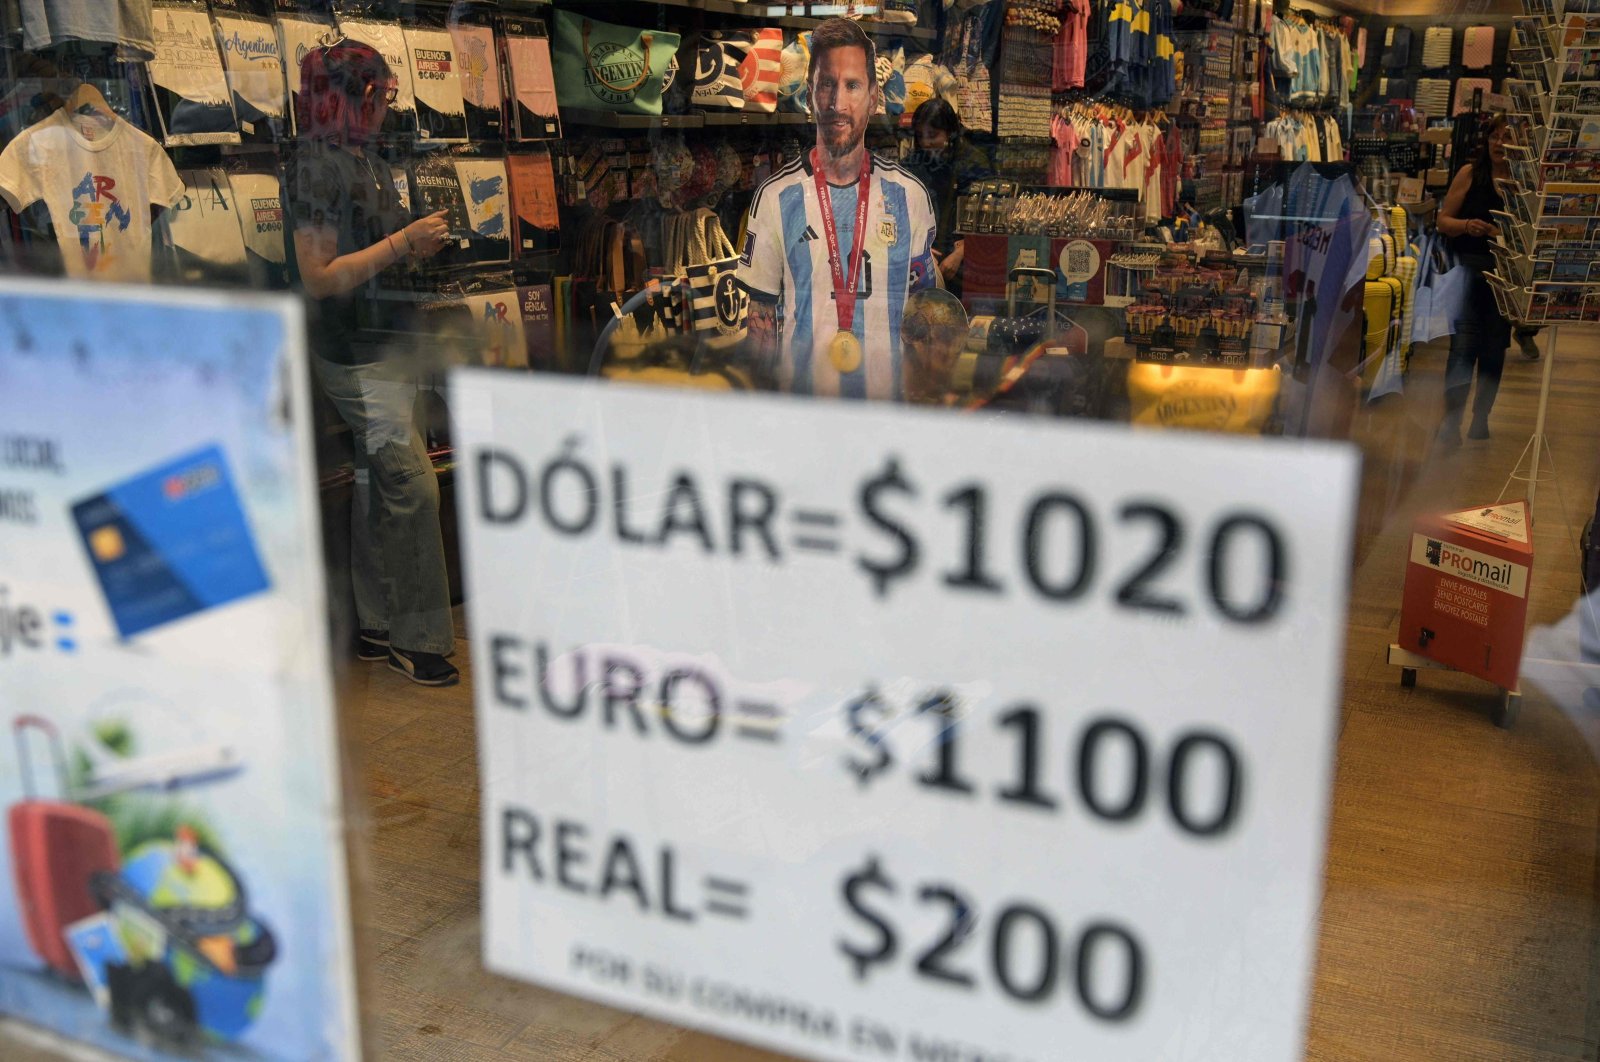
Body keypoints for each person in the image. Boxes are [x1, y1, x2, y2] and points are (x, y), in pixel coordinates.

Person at [284, 40, 461, 687]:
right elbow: (320, 277)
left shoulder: (359, 158)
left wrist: (414, 248)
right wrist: (401, 243)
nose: (388, 107)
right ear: (356, 98)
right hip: (356, 358)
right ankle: (418, 641)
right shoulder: (317, 166)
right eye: (381, 95)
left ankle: (377, 623)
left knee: (376, 482)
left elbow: (362, 261)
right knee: (411, 484)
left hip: (381, 350)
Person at [737, 18, 939, 400]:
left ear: (874, 96)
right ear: (810, 92)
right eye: (826, 84)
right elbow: (760, 324)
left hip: (886, 423)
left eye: (852, 85)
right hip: (804, 423)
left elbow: (924, 321)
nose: (837, 103)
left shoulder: (910, 197)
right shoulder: (775, 196)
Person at [1435, 115, 1512, 446]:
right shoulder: (1470, 174)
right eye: (1494, 136)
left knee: (1494, 352)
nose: (1499, 143)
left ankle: (1481, 417)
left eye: (1506, 137)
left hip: (1505, 276)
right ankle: (1451, 422)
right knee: (1463, 349)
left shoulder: (1522, 183)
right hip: (1468, 270)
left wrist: (1499, 233)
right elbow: (1443, 220)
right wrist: (1467, 226)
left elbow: (1531, 236)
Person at [904, 98, 992, 291]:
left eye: (932, 135)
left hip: (967, 266)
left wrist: (964, 251)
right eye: (920, 136)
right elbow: (898, 213)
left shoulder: (973, 163)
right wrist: (917, 247)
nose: (925, 142)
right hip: (923, 264)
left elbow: (990, 220)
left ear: (950, 134)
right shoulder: (913, 164)